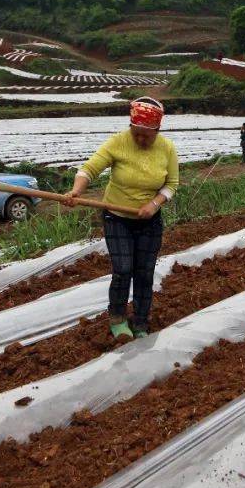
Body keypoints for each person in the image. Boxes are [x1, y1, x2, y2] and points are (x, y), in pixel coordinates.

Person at [64, 97, 178, 339]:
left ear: (157, 130)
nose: (140, 139)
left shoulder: (167, 148)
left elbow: (171, 185)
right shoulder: (118, 142)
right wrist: (77, 190)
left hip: (150, 221)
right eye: (136, 133)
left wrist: (154, 204)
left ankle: (140, 322)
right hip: (117, 218)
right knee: (123, 269)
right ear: (131, 126)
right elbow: (89, 169)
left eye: (147, 135)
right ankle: (117, 318)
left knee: (145, 272)